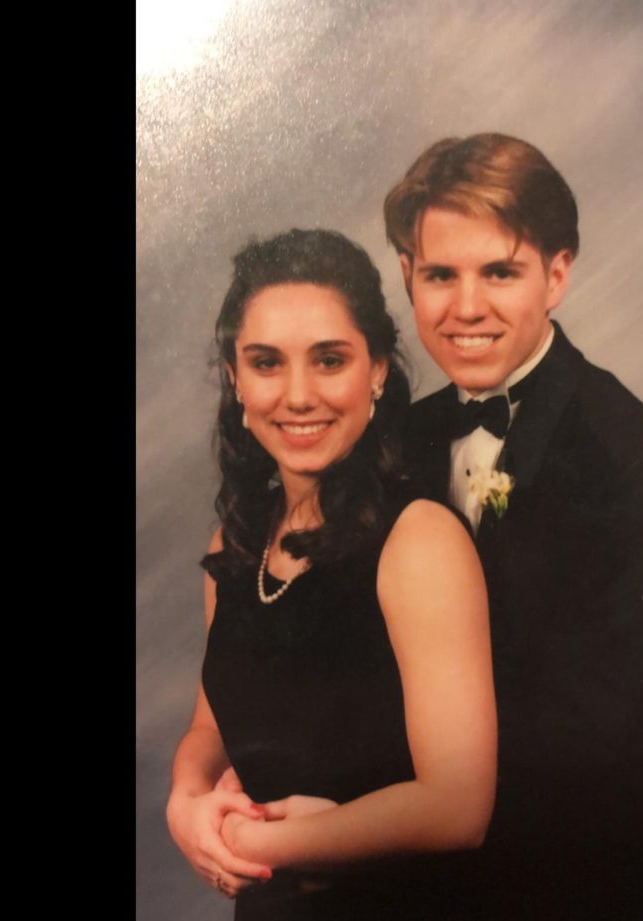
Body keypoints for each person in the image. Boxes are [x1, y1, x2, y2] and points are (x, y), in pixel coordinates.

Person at [385, 134, 643, 920]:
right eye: (440, 275)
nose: (466, 307)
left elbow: (595, 750)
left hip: (575, 883)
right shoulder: (394, 444)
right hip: (414, 876)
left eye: (500, 271)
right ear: (406, 275)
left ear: (557, 274)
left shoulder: (640, 465)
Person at [165, 228, 497, 920]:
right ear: (235, 377)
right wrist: (185, 803)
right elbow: (208, 729)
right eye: (265, 362)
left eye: (329, 359)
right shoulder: (236, 546)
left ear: (376, 369)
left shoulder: (419, 540)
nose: (298, 394)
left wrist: (276, 841)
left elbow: (460, 805)